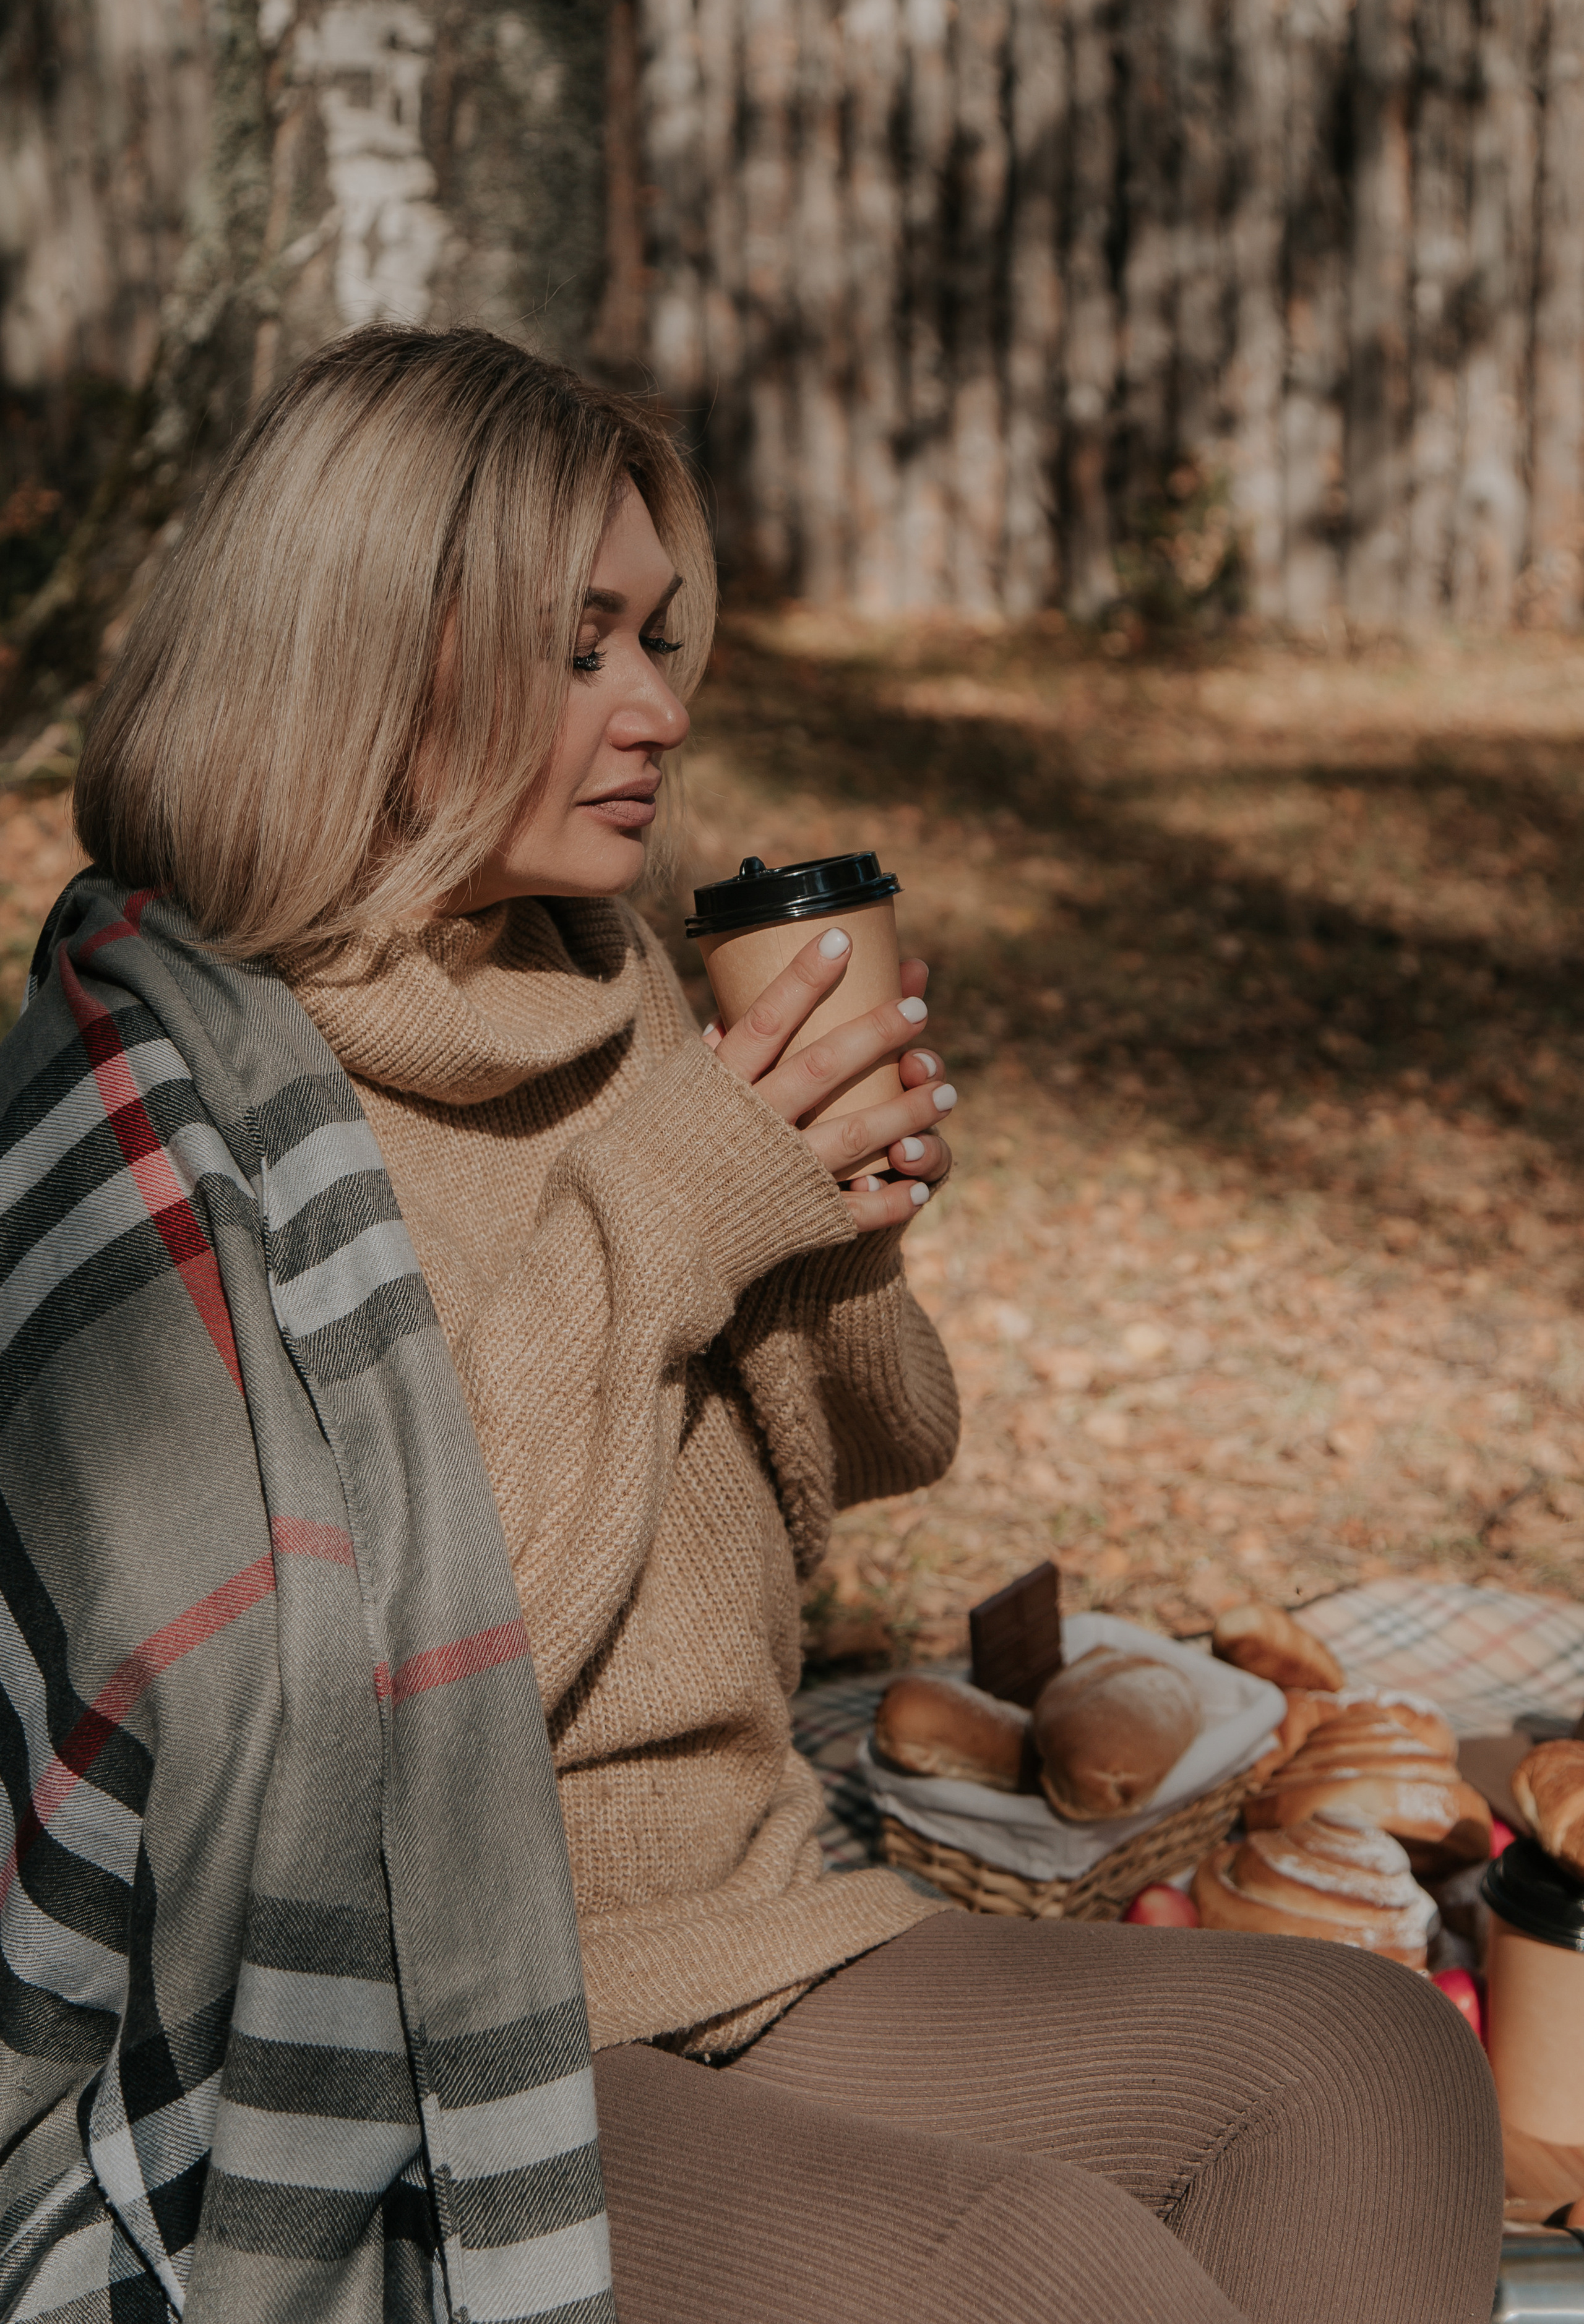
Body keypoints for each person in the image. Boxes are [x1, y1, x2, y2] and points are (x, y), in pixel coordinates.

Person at [0, 325, 1501, 2323]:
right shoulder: (178, 1098)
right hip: (437, 2014)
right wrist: (691, 1199)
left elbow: (867, 1457)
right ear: (375, 645)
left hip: (746, 1912)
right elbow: (357, 1727)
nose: (655, 711)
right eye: (584, 643)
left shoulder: (592, 983)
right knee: (1044, 2277)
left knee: (1364, 2060)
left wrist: (836, 1223)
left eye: (659, 639)